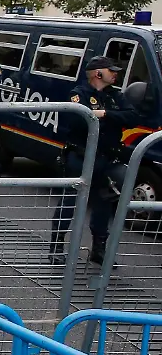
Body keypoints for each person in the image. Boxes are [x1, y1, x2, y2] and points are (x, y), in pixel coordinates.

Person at [48, 56, 139, 265]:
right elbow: (77, 120)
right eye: (111, 70)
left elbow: (133, 117)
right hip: (80, 157)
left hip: (106, 158)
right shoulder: (78, 95)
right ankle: (56, 247)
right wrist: (103, 116)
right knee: (69, 201)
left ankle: (98, 250)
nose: (115, 74)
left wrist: (105, 114)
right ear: (98, 73)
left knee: (104, 202)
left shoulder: (116, 96)